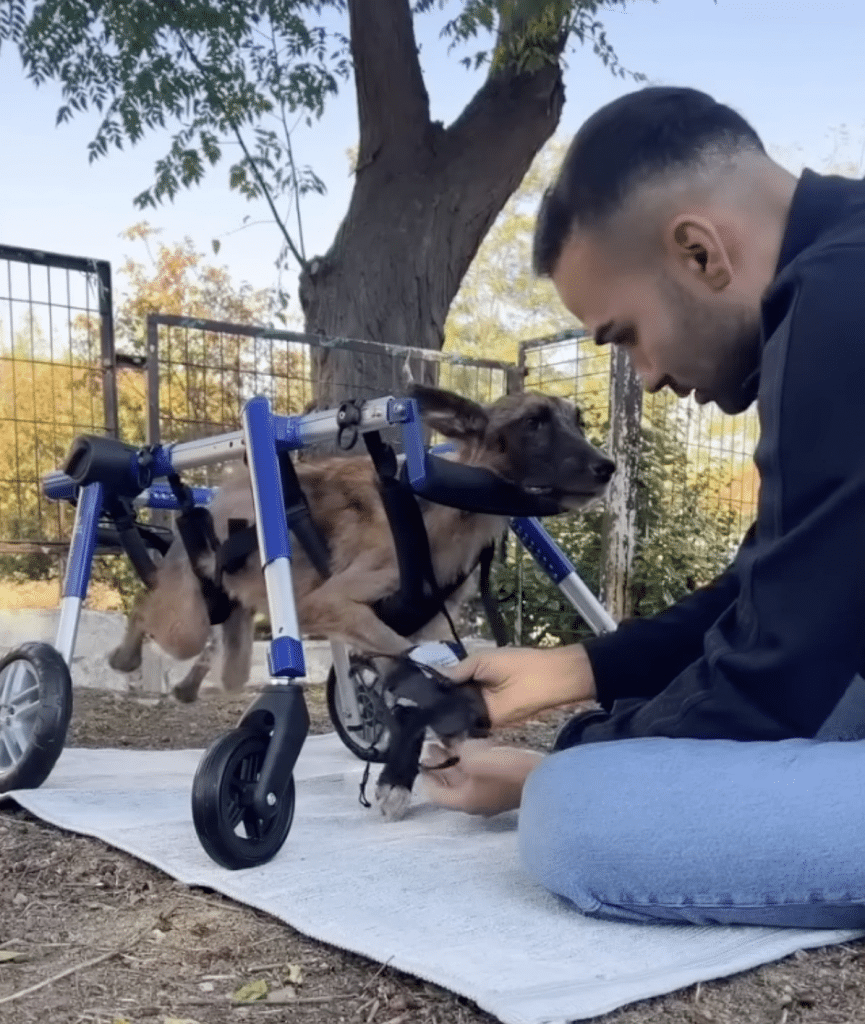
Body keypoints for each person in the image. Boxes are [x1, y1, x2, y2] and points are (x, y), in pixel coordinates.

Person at [419, 86, 865, 929]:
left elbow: (773, 679)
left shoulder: (838, 305)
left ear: (698, 252)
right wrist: (577, 670)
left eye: (622, 335)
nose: (647, 375)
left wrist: (564, 765)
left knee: (586, 815)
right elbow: (770, 594)